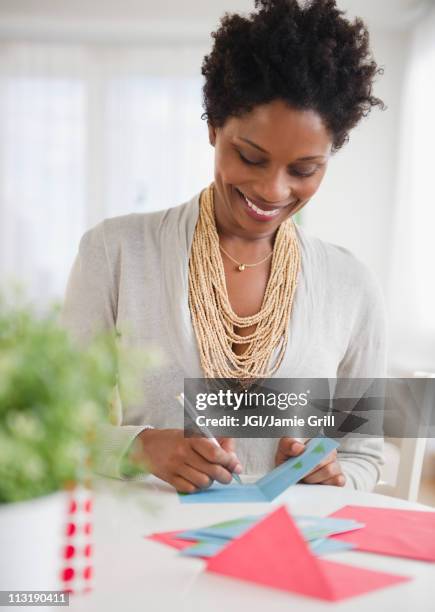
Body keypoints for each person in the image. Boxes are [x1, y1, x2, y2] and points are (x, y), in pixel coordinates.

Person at [62, 0, 387, 492]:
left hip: (290, 551)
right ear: (214, 126)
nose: (273, 191)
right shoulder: (116, 254)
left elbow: (364, 453)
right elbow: (57, 429)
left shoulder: (352, 286)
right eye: (250, 157)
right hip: (152, 545)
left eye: (303, 170)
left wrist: (333, 475)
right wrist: (140, 446)